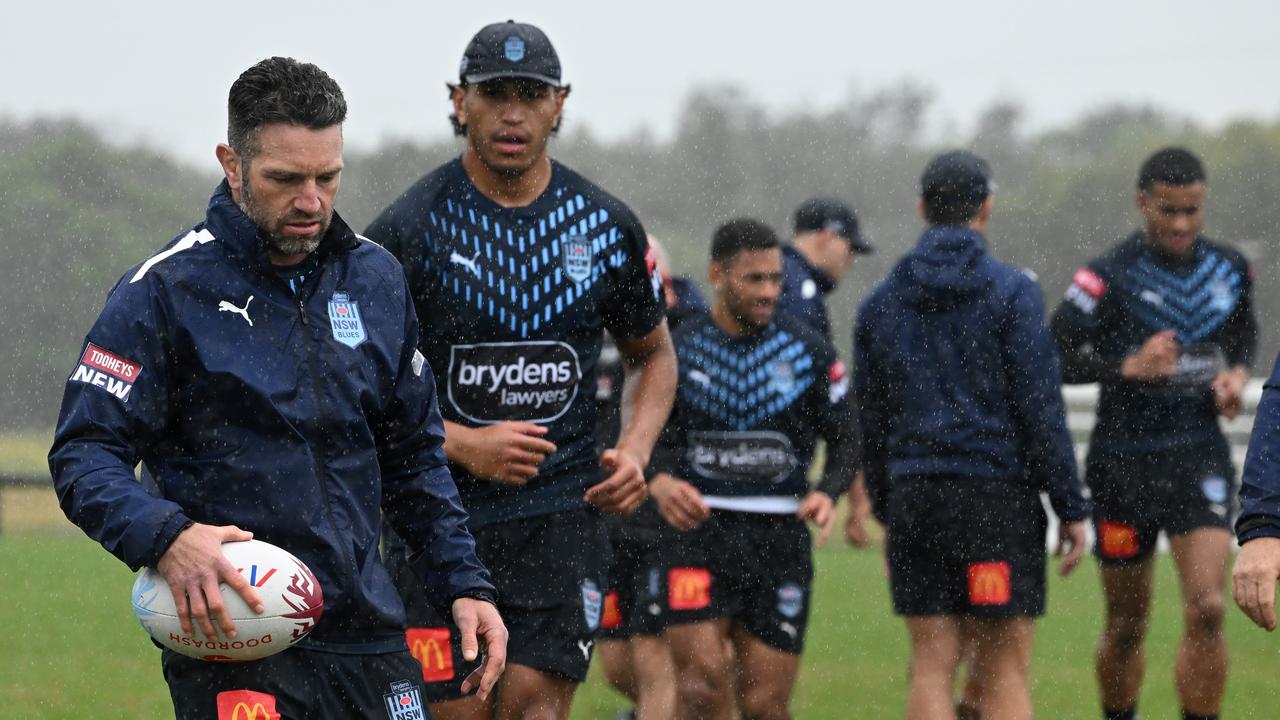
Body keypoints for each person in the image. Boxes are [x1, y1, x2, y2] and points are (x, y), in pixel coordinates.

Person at [46, 57, 506, 719]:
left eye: (328, 177)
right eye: (285, 179)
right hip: (237, 638)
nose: (312, 201)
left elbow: (413, 459)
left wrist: (465, 583)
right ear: (231, 165)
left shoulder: (373, 280)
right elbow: (84, 454)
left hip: (369, 635)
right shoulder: (165, 291)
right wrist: (169, 536)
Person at [364, 20, 677, 720]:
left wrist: (635, 450)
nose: (513, 112)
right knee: (456, 713)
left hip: (559, 519)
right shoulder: (407, 231)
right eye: (494, 93)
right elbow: (360, 386)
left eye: (531, 95)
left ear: (559, 105)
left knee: (536, 708)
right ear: (458, 101)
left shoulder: (604, 225)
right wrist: (459, 441)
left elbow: (652, 355)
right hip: (436, 518)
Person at [855, 150, 1089, 720]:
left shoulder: (880, 302)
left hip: (917, 494)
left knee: (932, 664)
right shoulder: (1014, 292)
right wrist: (1069, 504)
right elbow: (1040, 407)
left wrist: (888, 505)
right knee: (1004, 667)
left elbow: (871, 418)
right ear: (986, 208)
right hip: (995, 498)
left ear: (921, 207)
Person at [1051, 147, 1254, 720]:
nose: (1182, 224)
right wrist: (1125, 366)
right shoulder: (1106, 274)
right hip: (1123, 465)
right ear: (1143, 204)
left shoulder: (1231, 267)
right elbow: (1054, 351)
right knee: (1125, 626)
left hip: (1198, 459)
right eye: (1169, 211)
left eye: (1192, 210)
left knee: (1209, 607)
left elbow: (1242, 336)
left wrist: (1235, 375)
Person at [649, 218, 858, 720]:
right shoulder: (677, 347)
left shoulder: (808, 351)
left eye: (775, 280)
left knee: (766, 705)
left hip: (779, 541)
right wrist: (657, 480)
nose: (769, 292)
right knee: (699, 691)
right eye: (754, 280)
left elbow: (849, 436)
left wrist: (828, 492)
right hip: (695, 532)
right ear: (717, 274)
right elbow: (635, 424)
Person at [595, 237, 705, 720]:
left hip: (662, 525)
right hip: (606, 525)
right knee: (616, 666)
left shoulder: (687, 344)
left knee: (653, 657)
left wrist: (658, 475)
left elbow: (687, 434)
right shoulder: (592, 337)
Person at [773, 197, 879, 550]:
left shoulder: (787, 277)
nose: (850, 262)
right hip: (773, 471)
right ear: (826, 237)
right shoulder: (798, 291)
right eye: (849, 248)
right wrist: (854, 490)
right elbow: (825, 396)